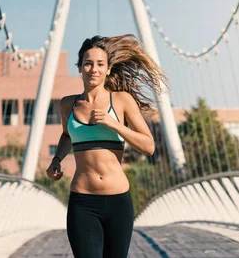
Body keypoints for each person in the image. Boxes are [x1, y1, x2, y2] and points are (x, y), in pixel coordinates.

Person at [46, 34, 167, 258]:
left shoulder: (121, 101)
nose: (94, 69)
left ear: (109, 69)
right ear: (80, 67)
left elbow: (148, 146)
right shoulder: (67, 104)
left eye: (100, 64)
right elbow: (66, 136)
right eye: (88, 63)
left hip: (118, 202)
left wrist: (115, 124)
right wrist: (56, 160)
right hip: (82, 202)